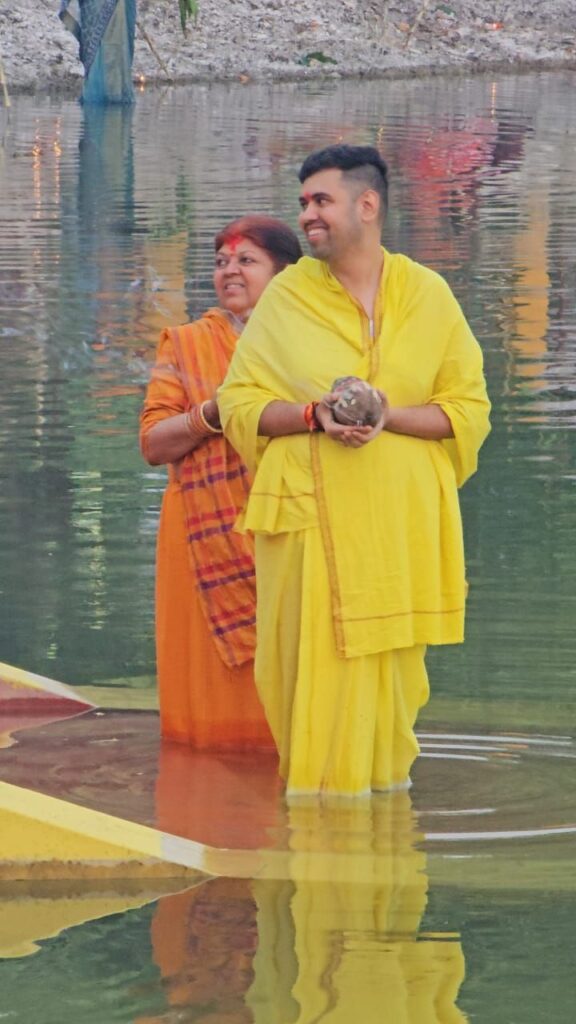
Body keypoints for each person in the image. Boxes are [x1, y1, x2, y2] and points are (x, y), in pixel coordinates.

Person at [218, 145, 491, 796]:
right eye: (303, 203)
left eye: (322, 200)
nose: (307, 215)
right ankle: (317, 830)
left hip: (397, 534)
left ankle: (381, 838)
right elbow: (238, 405)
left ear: (367, 205)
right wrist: (312, 415)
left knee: (390, 708)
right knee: (309, 699)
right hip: (311, 531)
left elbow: (468, 411)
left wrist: (387, 414)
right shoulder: (287, 297)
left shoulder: (427, 295)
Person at [140, 216, 302, 748]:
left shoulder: (311, 346)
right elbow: (153, 443)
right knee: (205, 684)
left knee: (292, 665)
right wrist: (213, 414)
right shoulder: (186, 344)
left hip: (286, 527)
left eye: (246, 260)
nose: (230, 270)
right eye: (221, 262)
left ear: (284, 274)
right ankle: (202, 772)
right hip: (199, 534)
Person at [59, 0, 136, 104]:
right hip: (94, 7)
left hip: (119, 6)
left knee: (118, 45)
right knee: (96, 49)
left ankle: (116, 94)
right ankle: (106, 95)